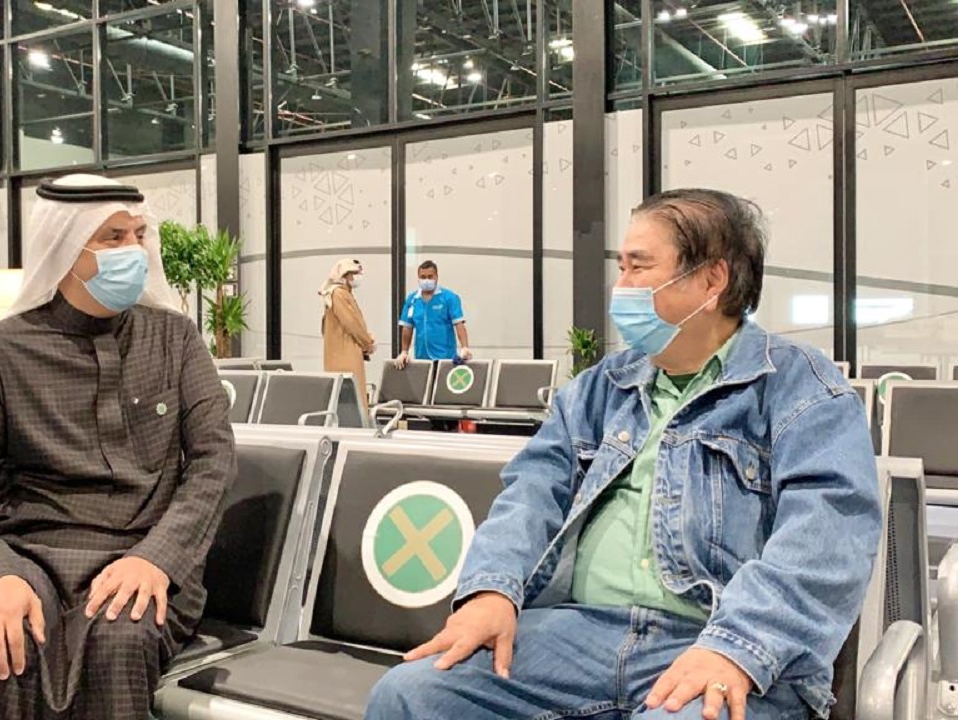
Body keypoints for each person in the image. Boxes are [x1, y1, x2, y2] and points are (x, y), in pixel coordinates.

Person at [366, 189, 881, 720]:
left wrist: (737, 646)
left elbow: (827, 537)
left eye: (639, 267)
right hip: (578, 634)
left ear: (712, 280)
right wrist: (492, 590)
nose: (621, 287)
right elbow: (532, 493)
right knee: (409, 696)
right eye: (621, 268)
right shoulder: (599, 388)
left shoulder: (801, 388)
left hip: (717, 640)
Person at [0, 174, 235, 720]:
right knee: (2, 641)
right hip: (30, 558)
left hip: (144, 556)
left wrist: (157, 559)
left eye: (138, 235)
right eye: (113, 237)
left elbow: (213, 463)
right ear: (65, 246)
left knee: (120, 640)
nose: (133, 250)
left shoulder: (176, 338)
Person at [320, 258, 375, 408]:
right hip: (345, 353)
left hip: (345, 350)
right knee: (351, 398)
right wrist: (367, 342)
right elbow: (352, 324)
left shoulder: (344, 293)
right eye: (354, 273)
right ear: (344, 274)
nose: (357, 277)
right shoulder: (338, 294)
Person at [395, 260, 471, 369]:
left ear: (436, 277)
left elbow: (459, 324)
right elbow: (407, 327)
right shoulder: (412, 300)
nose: (426, 280)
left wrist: (465, 347)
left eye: (430, 276)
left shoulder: (449, 297)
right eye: (423, 277)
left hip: (445, 359)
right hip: (421, 359)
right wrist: (404, 351)